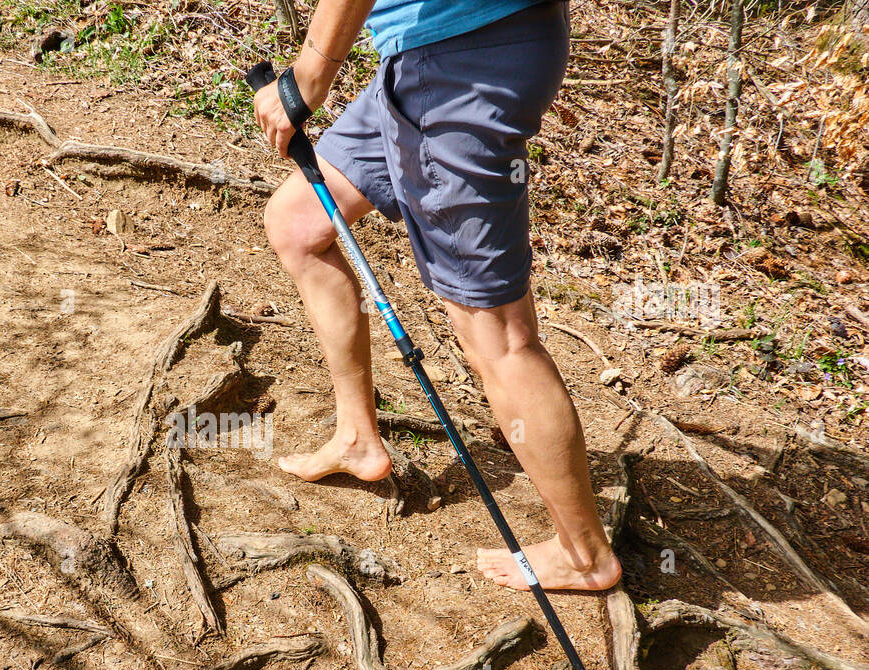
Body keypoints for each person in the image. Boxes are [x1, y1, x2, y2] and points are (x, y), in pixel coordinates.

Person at [253, 0, 621, 593]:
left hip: (459, 66)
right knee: (298, 222)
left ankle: (585, 555)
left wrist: (307, 77)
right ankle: (357, 438)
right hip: (428, 61)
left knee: (497, 335)